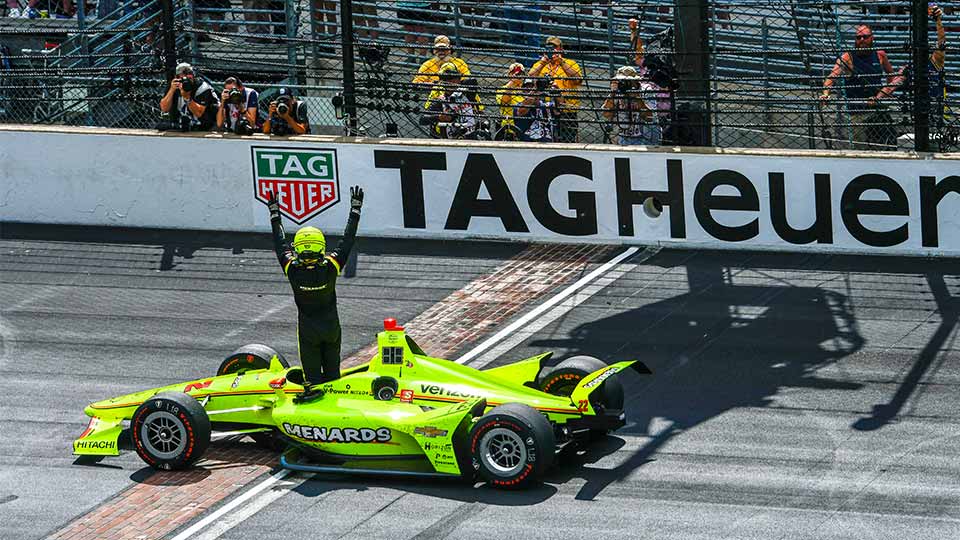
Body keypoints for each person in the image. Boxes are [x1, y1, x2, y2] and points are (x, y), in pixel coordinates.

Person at [266, 186, 364, 402]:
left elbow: (279, 243)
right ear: (322, 248)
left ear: (298, 249)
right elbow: (347, 241)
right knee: (333, 380)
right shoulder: (331, 266)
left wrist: (275, 213)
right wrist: (355, 210)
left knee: (312, 384)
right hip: (331, 330)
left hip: (308, 333)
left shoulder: (292, 269)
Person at [820, 24, 901, 150]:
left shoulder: (880, 55)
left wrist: (885, 93)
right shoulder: (848, 57)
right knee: (861, 150)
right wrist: (826, 93)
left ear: (872, 38)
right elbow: (831, 77)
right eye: (858, 38)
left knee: (887, 145)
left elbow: (891, 76)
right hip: (857, 113)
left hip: (877, 109)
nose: (862, 40)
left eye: (865, 37)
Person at [528, 36, 582, 142]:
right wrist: (543, 62)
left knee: (568, 142)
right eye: (549, 47)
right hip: (544, 110)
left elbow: (577, 79)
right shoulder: (540, 64)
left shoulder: (570, 63)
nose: (552, 50)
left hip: (566, 110)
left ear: (560, 48)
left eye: (555, 47)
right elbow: (530, 77)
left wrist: (561, 61)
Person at [420, 63, 485, 139]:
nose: (450, 81)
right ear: (442, 82)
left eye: (453, 78)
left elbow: (473, 81)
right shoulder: (440, 100)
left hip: (472, 135)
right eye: (446, 79)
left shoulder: (468, 93)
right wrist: (439, 117)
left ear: (459, 79)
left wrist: (458, 89)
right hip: (451, 138)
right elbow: (422, 119)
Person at [603, 66, 661, 146]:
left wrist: (636, 97)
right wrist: (613, 93)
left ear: (636, 81)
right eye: (622, 80)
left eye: (629, 81)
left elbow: (650, 117)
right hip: (625, 138)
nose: (625, 83)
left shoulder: (646, 90)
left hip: (646, 138)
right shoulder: (618, 90)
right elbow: (606, 115)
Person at [159, 62, 219, 131]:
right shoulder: (174, 85)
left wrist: (187, 98)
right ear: (177, 77)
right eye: (183, 76)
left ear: (193, 75)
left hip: (204, 125)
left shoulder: (203, 87)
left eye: (189, 75)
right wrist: (171, 90)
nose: (187, 79)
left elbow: (199, 113)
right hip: (181, 124)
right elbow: (164, 108)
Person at [513, 77, 556, 142]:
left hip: (547, 140)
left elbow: (559, 108)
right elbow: (521, 112)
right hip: (527, 142)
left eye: (532, 87)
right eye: (527, 89)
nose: (530, 90)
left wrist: (556, 89)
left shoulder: (546, 105)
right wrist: (534, 90)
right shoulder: (518, 106)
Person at [495, 62, 525, 140]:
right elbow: (505, 101)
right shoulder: (502, 89)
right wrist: (512, 83)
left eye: (520, 74)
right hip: (509, 130)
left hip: (526, 129)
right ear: (509, 75)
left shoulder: (526, 89)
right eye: (514, 73)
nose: (518, 76)